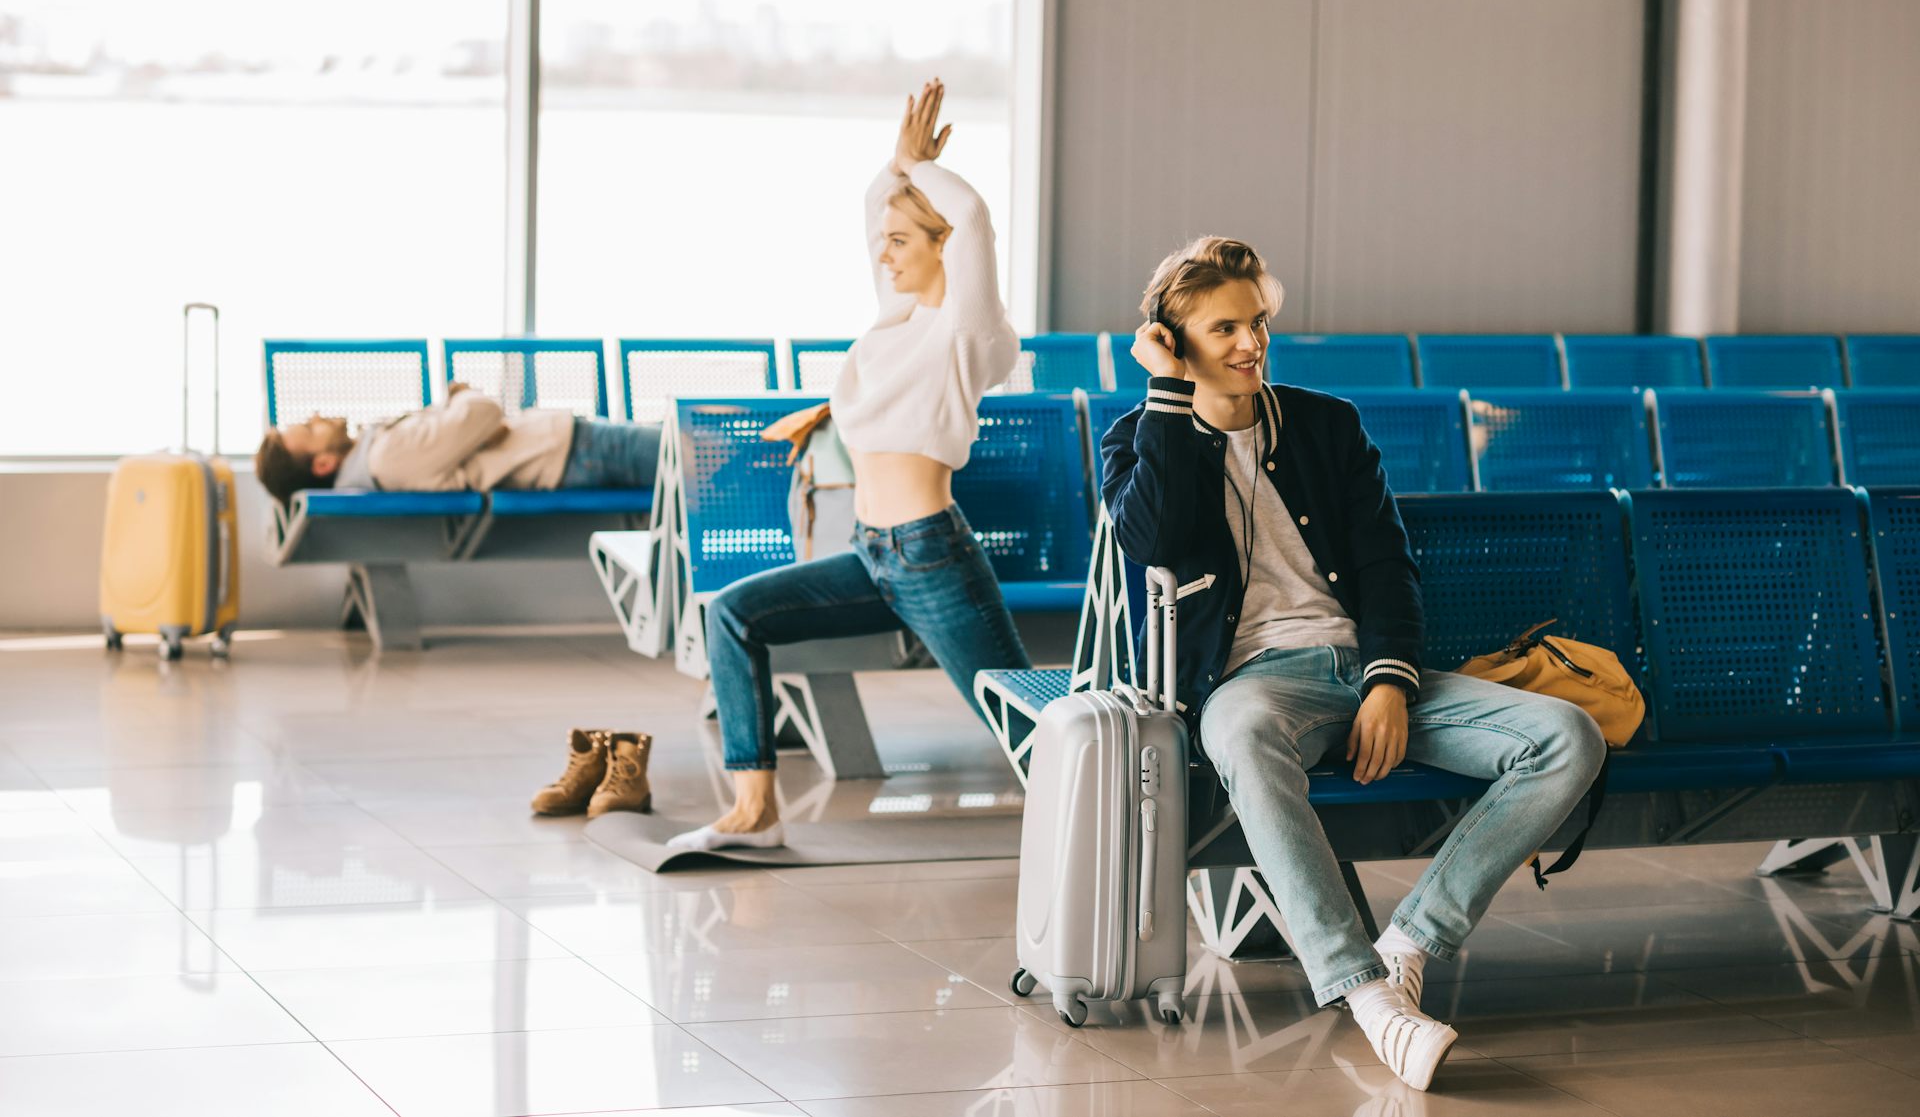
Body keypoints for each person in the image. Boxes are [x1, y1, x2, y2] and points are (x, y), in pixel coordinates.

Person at [1101, 237, 1605, 1092]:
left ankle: (1409, 940)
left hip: (1364, 667)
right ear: (1173, 339)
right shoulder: (1139, 437)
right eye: (1224, 328)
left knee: (1567, 735)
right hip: (1249, 685)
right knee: (1247, 737)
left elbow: (1385, 566)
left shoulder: (1327, 424)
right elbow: (1151, 540)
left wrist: (1387, 681)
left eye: (1258, 322)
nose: (1251, 343)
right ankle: (1369, 997)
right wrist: (1169, 397)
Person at [666, 79, 1031, 853]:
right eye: (882, 244)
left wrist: (918, 171)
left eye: (902, 241)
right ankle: (754, 809)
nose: (884, 254)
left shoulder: (964, 333)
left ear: (942, 250)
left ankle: (1137, 826)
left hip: (933, 557)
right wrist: (895, 168)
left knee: (1029, 726)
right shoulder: (894, 322)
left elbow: (970, 217)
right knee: (731, 614)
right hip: (871, 553)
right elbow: (883, 214)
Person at [253, 383, 662, 505]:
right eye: (310, 428)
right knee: (708, 450)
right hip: (576, 450)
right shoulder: (386, 456)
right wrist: (458, 395)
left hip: (570, 448)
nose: (318, 416)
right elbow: (483, 411)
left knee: (705, 449)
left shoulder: (378, 453)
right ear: (323, 464)